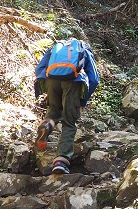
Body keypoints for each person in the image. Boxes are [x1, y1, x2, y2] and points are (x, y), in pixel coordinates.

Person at [34, 38, 99, 174]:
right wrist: (82, 101)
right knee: (69, 121)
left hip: (51, 80)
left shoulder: (56, 47)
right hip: (73, 81)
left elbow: (39, 68)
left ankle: (46, 125)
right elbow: (93, 79)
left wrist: (45, 87)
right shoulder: (83, 48)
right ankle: (61, 160)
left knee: (53, 111)